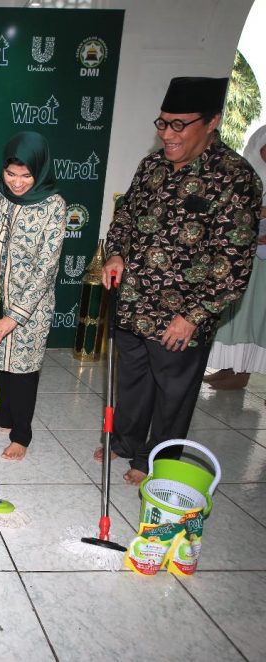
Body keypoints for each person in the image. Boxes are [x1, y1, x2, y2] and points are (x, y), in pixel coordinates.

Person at [98, 77, 262, 485]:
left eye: (179, 125)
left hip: (182, 314)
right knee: (132, 381)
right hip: (134, 300)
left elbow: (234, 261)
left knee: (172, 392)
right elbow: (125, 219)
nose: (167, 134)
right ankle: (125, 442)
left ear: (212, 122)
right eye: (163, 123)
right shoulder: (152, 166)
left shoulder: (235, 178)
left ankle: (156, 460)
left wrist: (194, 315)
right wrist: (115, 253)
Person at [0, 132, 67, 460]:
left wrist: (15, 316)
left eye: (26, 175)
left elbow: (46, 268)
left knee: (22, 371)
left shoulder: (54, 206)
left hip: (30, 307)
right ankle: (2, 420)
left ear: (40, 170)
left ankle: (21, 433)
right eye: (11, 174)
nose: (17, 183)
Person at [204, 124, 266, 390]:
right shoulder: (246, 169)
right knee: (232, 316)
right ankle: (228, 366)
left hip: (262, 257)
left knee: (254, 318)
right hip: (242, 253)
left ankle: (244, 371)